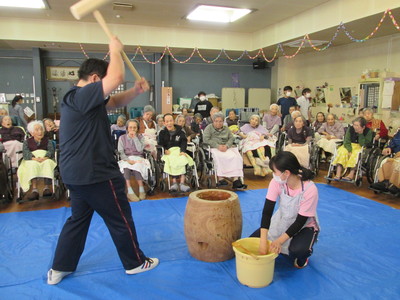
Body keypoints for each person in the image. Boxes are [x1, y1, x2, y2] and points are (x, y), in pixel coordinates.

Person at [48, 38, 158, 286]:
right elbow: (117, 78)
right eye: (105, 81)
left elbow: (116, 101)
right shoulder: (82, 95)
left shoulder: (82, 100)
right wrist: (115, 51)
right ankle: (135, 262)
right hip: (96, 174)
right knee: (120, 217)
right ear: (96, 79)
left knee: (78, 220)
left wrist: (137, 91)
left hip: (76, 175)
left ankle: (59, 268)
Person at [251, 151, 320, 269]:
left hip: (304, 226)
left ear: (286, 173)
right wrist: (263, 240)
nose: (273, 175)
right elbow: (267, 212)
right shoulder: (277, 182)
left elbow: (299, 222)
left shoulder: (310, 189)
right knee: (253, 241)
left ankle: (304, 256)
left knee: (298, 251)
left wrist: (279, 241)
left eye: (274, 172)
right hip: (282, 219)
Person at [203, 112, 246, 189]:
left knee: (236, 157)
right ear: (213, 121)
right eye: (216, 121)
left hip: (226, 147)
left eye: (220, 121)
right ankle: (221, 178)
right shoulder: (209, 128)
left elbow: (231, 138)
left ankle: (236, 180)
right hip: (214, 147)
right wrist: (217, 146)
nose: (218, 123)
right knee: (220, 157)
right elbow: (206, 139)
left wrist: (227, 145)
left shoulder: (226, 128)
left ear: (223, 122)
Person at [17, 121, 56, 200]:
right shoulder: (26, 142)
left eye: (41, 129)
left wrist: (45, 157)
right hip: (32, 159)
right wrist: (34, 158)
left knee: (48, 163)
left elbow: (51, 151)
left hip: (45, 158)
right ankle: (34, 189)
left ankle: (46, 188)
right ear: (32, 133)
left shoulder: (48, 141)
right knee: (32, 165)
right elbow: (25, 153)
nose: (40, 131)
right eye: (37, 130)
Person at [157, 113, 193, 193]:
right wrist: (165, 149)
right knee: (172, 160)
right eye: (167, 121)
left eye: (170, 121)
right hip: (168, 152)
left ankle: (182, 183)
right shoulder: (162, 133)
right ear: (164, 123)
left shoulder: (180, 131)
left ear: (173, 121)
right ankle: (174, 183)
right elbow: (160, 144)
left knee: (183, 158)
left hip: (179, 150)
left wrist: (183, 151)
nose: (169, 123)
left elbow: (184, 142)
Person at [118, 119, 150, 202]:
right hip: (126, 158)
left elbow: (140, 150)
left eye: (134, 128)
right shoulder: (122, 138)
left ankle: (141, 189)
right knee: (126, 167)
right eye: (130, 127)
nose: (132, 129)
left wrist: (135, 138)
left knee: (137, 166)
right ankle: (129, 191)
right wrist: (127, 160)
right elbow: (120, 152)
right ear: (127, 128)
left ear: (137, 128)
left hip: (138, 157)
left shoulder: (141, 137)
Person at [331, 117, 373, 181]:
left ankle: (351, 174)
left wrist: (361, 134)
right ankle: (338, 173)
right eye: (354, 125)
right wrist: (349, 150)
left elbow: (364, 144)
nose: (355, 127)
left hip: (361, 147)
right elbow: (346, 141)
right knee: (342, 151)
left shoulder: (368, 132)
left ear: (363, 126)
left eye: (357, 125)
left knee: (356, 154)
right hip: (349, 145)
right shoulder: (350, 129)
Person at [369, 128, 400, 195]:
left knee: (398, 164)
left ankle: (395, 185)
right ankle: (384, 182)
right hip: (397, 155)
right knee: (385, 161)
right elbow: (393, 142)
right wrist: (388, 147)